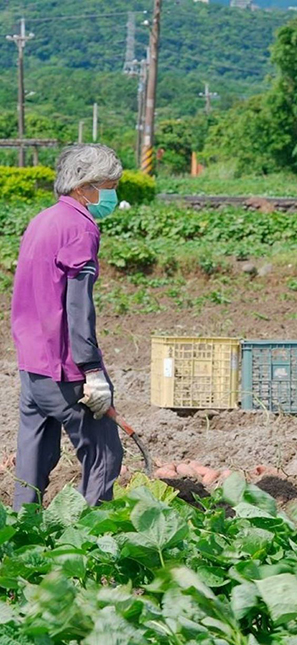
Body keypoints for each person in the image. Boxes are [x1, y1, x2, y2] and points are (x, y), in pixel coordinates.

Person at [10, 143, 124, 509]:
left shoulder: (43, 220)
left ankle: (18, 535)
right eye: (108, 184)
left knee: (33, 459)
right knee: (104, 455)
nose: (110, 192)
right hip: (64, 366)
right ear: (84, 186)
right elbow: (78, 306)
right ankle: (90, 545)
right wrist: (91, 370)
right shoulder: (80, 228)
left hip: (32, 361)